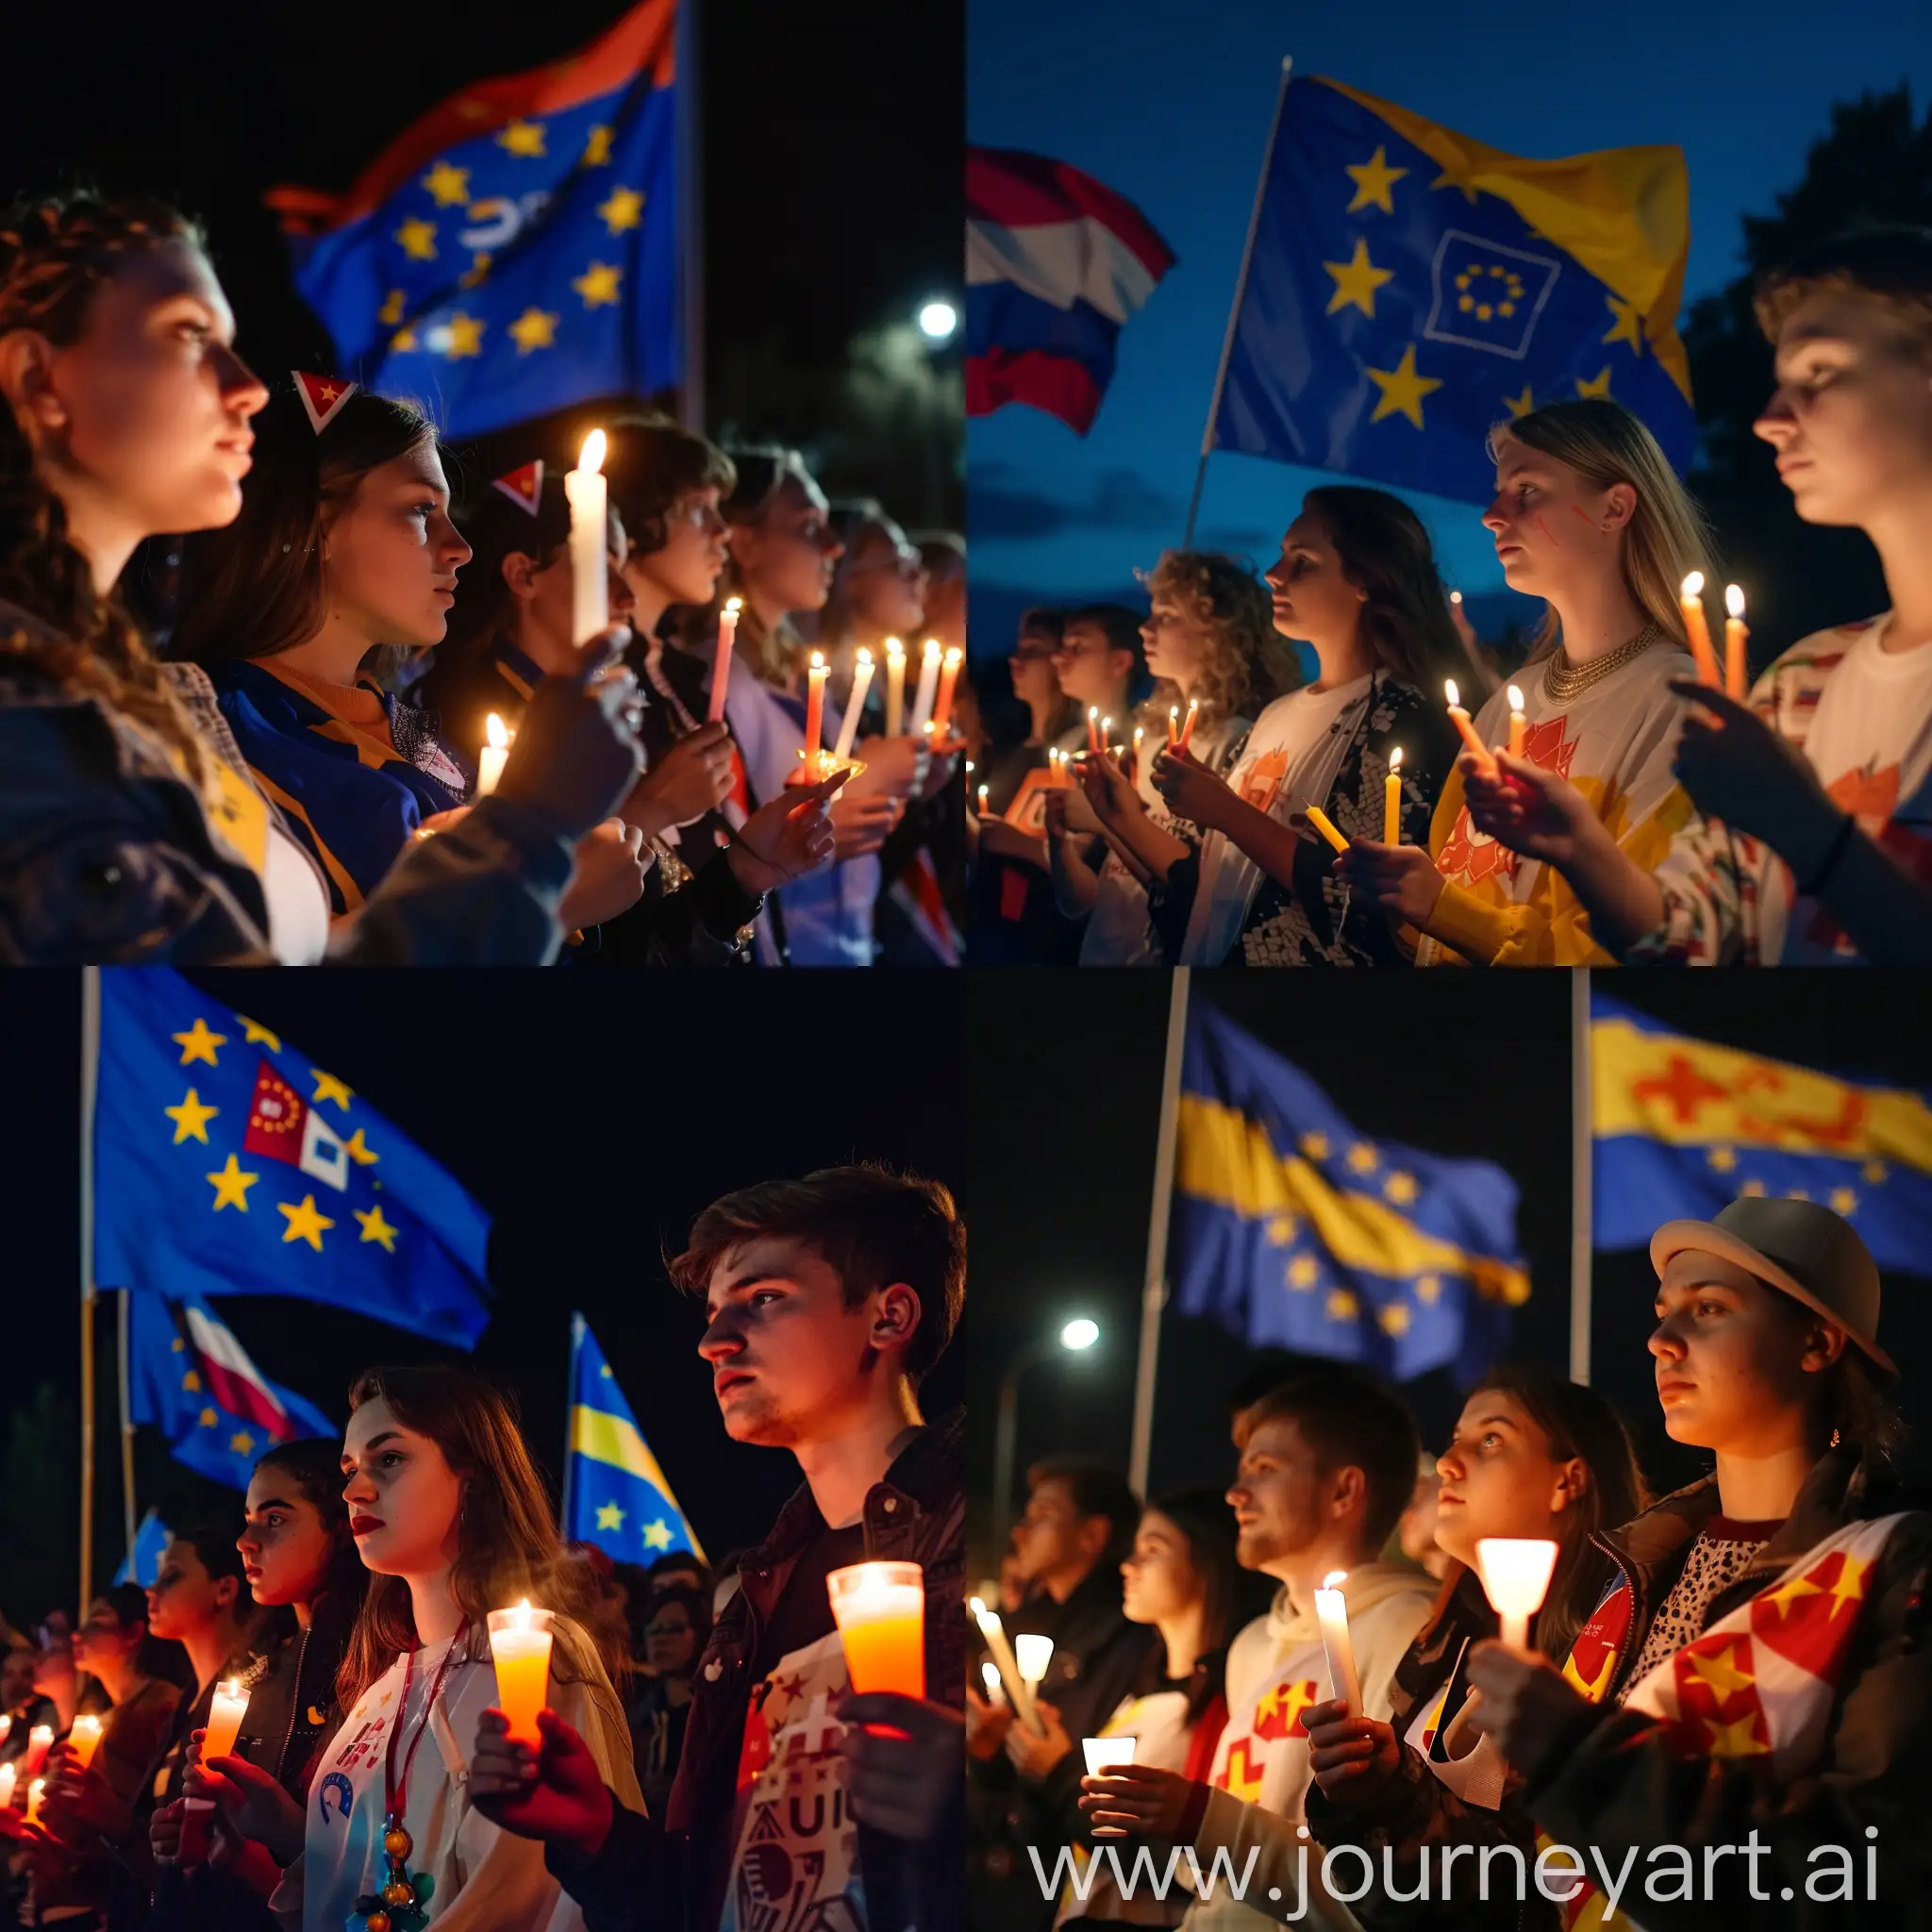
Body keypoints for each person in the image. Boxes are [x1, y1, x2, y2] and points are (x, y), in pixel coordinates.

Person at [0, 189, 644, 965]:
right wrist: (528, 838)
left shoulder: (132, 696)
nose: (247, 385)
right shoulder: (30, 713)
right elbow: (217, 1042)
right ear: (38, 375)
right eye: (189, 333)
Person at [467, 1164, 967, 1932]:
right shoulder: (753, 1600)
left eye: (763, 1300)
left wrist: (977, 1798)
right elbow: (711, 1891)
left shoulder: (968, 1535)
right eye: (711, 1312)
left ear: (888, 1316)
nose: (711, 1342)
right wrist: (593, 1830)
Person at [1458, 227, 1932, 967]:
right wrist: (1581, 849)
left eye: (1820, 372)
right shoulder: (1803, 684)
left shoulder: (1678, 694)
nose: (1770, 417)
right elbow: (1696, 942)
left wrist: (1803, 826)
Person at [1459, 1201, 1932, 1925]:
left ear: (1817, 1342)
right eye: (1662, 1312)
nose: (1659, 1341)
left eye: (1707, 1308)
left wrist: (1582, 1759)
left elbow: (1868, 1875)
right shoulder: (1632, 1574)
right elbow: (1530, 1866)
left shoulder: (1893, 1565)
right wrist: (1377, 1802)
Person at [171, 383, 651, 941]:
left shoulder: (405, 725)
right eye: (422, 510)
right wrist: (542, 893)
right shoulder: (219, 735)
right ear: (313, 522)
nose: (460, 548)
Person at [237, 1368, 641, 1932]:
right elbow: (358, 1882)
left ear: (470, 1475)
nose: (355, 1490)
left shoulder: (533, 1658)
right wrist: (264, 1843)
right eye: (350, 1470)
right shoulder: (378, 1694)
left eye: (391, 1459)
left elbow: (539, 1893)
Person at [1334, 398, 1707, 966]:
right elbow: (1446, 897)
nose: (1492, 513)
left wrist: (1446, 911)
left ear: (1615, 507)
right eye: (1500, 490)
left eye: (1527, 490)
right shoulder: (1509, 702)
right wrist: (1403, 901)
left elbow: (1641, 939)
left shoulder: (1679, 702)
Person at [1081, 1371, 1436, 1930]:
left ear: (1344, 1490)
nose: (1235, 1494)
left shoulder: (1412, 1632)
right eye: (1242, 1471)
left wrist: (1206, 1819)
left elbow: (1394, 1888)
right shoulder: (1251, 1646)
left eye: (1266, 1470)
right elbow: (1220, 1881)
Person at [1297, 1367, 1646, 1929]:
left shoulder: (1623, 1645)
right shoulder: (1440, 1651)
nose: (1447, 1462)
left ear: (1568, 1480)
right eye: (1455, 1438)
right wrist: (1373, 1794)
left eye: (1490, 1439)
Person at [1143, 491, 1464, 967]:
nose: (1275, 574)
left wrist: (1229, 812)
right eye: (1281, 556)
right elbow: (1209, 882)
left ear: (1366, 580)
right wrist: (1124, 815)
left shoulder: (1403, 717)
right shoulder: (1274, 715)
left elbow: (1363, 898)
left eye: (1304, 562)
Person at [597, 418, 844, 964]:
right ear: (639, 517)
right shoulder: (598, 684)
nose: (723, 532)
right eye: (700, 509)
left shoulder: (672, 674)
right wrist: (651, 808)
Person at [148, 1439, 372, 1929]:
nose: (245, 1541)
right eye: (248, 1519)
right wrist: (186, 1828)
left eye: (274, 1519)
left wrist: (262, 1847)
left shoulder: (373, 1662)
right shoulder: (255, 1665)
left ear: (341, 1525)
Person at [715, 449, 917, 965]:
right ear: (744, 542)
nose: (833, 547)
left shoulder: (801, 672)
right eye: (809, 527)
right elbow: (711, 858)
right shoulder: (711, 682)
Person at [1071, 552, 1287, 966]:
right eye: (1151, 613)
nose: (1145, 628)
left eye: (1166, 617)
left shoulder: (1239, 741)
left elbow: (1195, 880)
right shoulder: (1150, 736)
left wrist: (1105, 818)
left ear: (1217, 632)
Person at [969, 1463, 1156, 1932]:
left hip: (1075, 1879)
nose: (1020, 1530)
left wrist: (1053, 1763)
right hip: (1000, 1876)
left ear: (1092, 1534)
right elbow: (1002, 1770)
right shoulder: (1017, 1624)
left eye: (1044, 1515)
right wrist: (985, 1752)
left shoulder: (1132, 1635)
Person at [1052, 1490, 1242, 1926]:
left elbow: (1186, 1863)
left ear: (1207, 1563)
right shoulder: (1137, 1690)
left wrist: (1058, 1774)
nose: (1129, 1566)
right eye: (1134, 1550)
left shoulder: (1225, 1704)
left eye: (1153, 1550)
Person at [7, 1588, 183, 1931]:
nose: (78, 1635)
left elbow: (148, 1806)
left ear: (132, 1633)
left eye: (96, 1623)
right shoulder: (104, 1716)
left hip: (111, 1899)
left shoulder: (161, 1704)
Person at [1043, 605, 1146, 931]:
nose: (1059, 659)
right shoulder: (1069, 741)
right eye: (1061, 647)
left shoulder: (1138, 747)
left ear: (1120, 661)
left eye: (1078, 647)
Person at [625, 1582, 708, 1818]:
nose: (660, 1640)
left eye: (673, 1628)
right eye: (653, 1630)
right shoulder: (636, 1716)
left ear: (701, 1635)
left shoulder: (713, 1714)